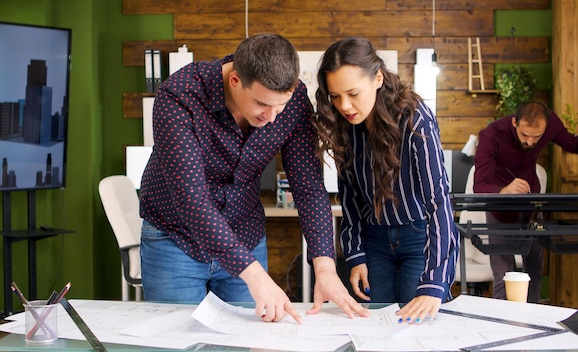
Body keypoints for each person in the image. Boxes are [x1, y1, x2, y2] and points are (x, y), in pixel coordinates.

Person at [138, 33, 369, 323]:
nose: (272, 117)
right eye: (262, 104)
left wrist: (325, 268)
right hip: (175, 238)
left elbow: (308, 188)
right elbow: (191, 199)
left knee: (250, 339)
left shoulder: (294, 101)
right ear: (235, 80)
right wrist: (256, 276)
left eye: (280, 106)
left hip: (244, 233)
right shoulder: (180, 96)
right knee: (177, 336)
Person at [312, 37, 459, 323]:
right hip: (375, 242)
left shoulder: (415, 119)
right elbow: (350, 199)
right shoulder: (344, 126)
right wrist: (355, 255)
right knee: (376, 326)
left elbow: (438, 201)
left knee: (416, 329)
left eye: (353, 93)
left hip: (419, 240)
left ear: (378, 78)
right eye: (336, 96)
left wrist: (434, 281)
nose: (345, 105)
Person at [473, 101, 578, 303]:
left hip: (532, 206)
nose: (530, 142)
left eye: (536, 137)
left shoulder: (550, 124)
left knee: (534, 270)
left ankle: (532, 322)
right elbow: (480, 186)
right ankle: (502, 327)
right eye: (525, 135)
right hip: (499, 208)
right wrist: (504, 190)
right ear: (514, 122)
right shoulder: (491, 135)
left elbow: (572, 144)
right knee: (504, 274)